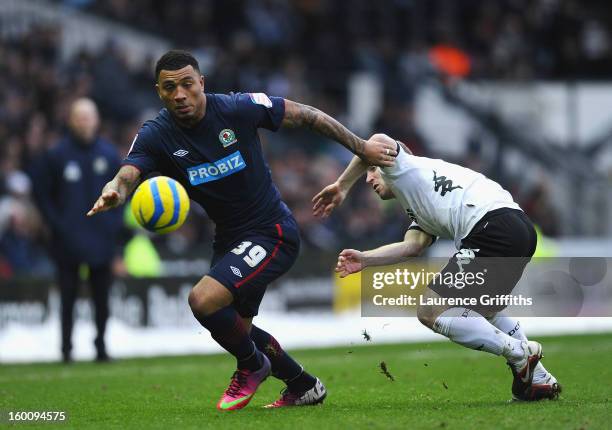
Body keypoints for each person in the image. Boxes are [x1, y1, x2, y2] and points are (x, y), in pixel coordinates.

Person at [87, 50, 397, 410]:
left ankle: (252, 365)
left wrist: (360, 147)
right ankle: (303, 385)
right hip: (230, 239)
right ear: (159, 92)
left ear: (201, 83)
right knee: (236, 328)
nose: (180, 94)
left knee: (203, 300)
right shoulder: (156, 134)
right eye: (170, 88)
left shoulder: (238, 108)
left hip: (272, 231)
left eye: (188, 84)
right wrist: (116, 190)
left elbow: (308, 115)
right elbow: (128, 173)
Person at [313, 133, 561, 401]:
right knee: (485, 309)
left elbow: (376, 139)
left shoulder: (404, 167)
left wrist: (341, 185)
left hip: (492, 227)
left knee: (430, 310)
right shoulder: (417, 199)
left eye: (373, 170)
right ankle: (539, 378)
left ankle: (520, 352)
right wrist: (365, 259)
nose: (369, 178)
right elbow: (412, 246)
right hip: (518, 228)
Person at [31, 98, 123, 363]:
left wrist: (112, 225)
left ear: (97, 120)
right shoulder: (56, 155)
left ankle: (101, 346)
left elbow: (122, 192)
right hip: (67, 240)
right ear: (71, 120)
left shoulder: (108, 154)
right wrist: (57, 224)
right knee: (68, 297)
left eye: (89, 116)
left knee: (102, 298)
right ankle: (66, 348)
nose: (84, 121)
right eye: (79, 116)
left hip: (100, 239)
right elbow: (41, 193)